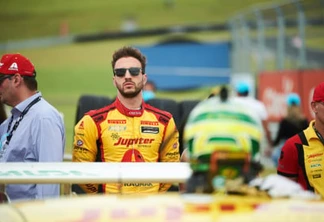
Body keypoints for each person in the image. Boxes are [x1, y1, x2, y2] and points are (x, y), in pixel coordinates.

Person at [72, 46, 180, 194]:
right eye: (121, 72)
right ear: (114, 80)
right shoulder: (92, 121)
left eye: (134, 71)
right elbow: (81, 172)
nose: (127, 76)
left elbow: (171, 170)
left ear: (144, 78)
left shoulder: (165, 121)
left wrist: (151, 195)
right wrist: (103, 196)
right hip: (110, 211)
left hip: (151, 211)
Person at [0, 53, 66, 201]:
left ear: (16, 79)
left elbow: (49, 181)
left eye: (0, 80)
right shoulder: (12, 119)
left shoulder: (44, 118)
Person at [277, 82, 324, 198]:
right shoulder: (293, 146)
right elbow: (284, 195)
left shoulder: (285, 121)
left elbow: (278, 137)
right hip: (313, 214)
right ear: (314, 107)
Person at [234, 81, 272, 156]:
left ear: (237, 92)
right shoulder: (258, 105)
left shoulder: (233, 104)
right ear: (248, 92)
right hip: (255, 141)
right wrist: (270, 144)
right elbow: (266, 127)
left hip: (236, 141)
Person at [271, 93, 309, 166]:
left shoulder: (285, 121)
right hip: (301, 149)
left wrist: (272, 145)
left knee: (275, 156)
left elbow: (279, 137)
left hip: (286, 148)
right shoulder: (304, 121)